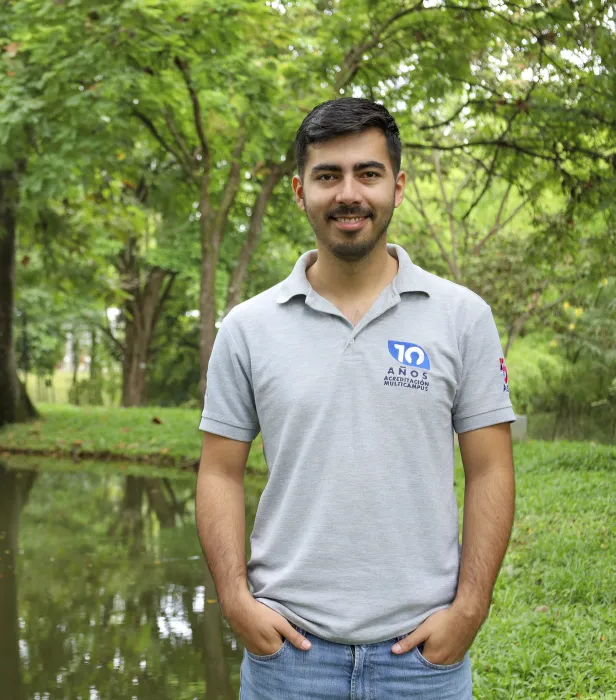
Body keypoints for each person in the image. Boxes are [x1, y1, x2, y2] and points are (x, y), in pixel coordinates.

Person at [195, 98, 516, 699]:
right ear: (300, 191)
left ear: (398, 186)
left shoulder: (463, 317)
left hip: (422, 661)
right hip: (288, 658)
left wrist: (470, 609)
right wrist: (235, 599)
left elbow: (491, 469)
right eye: (328, 175)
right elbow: (218, 472)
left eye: (368, 173)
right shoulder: (247, 327)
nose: (349, 194)